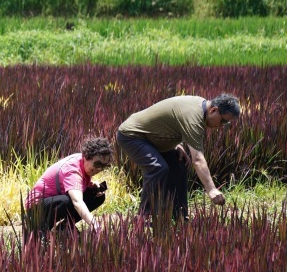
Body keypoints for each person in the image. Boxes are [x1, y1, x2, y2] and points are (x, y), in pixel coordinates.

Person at [117, 94, 241, 222]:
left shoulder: (201, 106)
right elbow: (197, 160)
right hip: (132, 135)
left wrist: (177, 143)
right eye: (223, 121)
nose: (222, 125)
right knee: (157, 168)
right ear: (213, 110)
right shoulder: (195, 118)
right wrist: (212, 189)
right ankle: (143, 218)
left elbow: (173, 118)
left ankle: (179, 216)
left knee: (179, 165)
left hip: (152, 138)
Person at [24, 137, 114, 234]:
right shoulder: (73, 170)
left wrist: (91, 185)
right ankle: (41, 230)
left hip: (54, 201)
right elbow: (77, 202)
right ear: (87, 156)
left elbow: (77, 184)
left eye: (104, 166)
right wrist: (95, 225)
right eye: (97, 164)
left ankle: (64, 228)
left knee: (96, 195)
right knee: (68, 201)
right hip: (37, 208)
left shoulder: (82, 162)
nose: (100, 169)